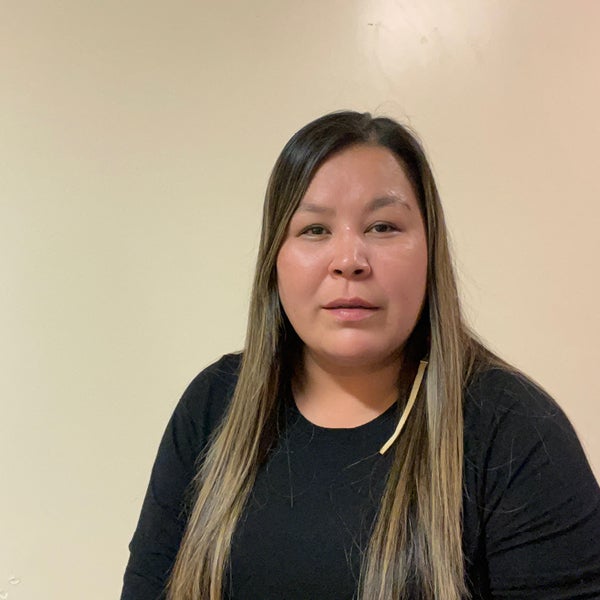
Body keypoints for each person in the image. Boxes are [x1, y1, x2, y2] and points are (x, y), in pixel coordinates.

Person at [120, 111, 600, 600]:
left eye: (383, 226)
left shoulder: (515, 430)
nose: (349, 260)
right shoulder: (214, 405)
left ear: (429, 251)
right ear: (275, 259)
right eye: (314, 230)